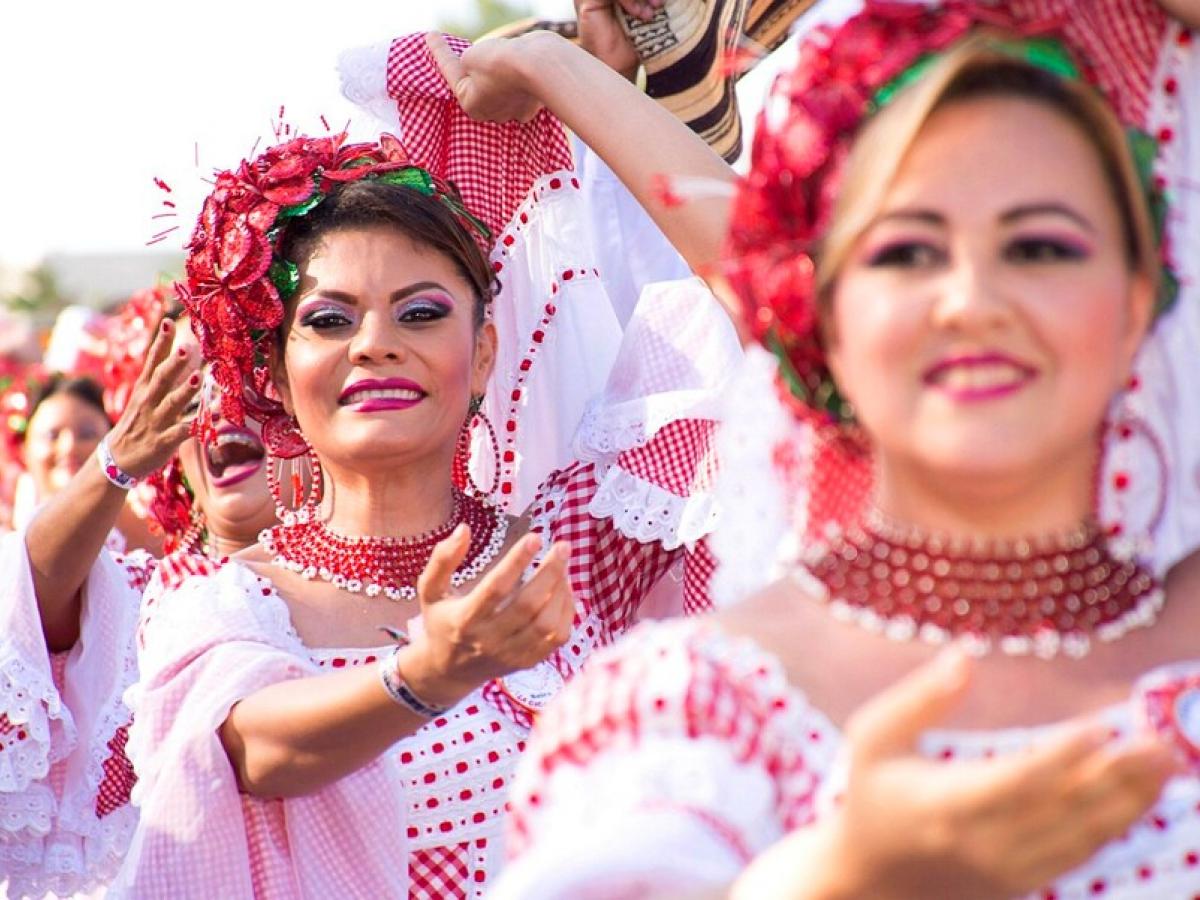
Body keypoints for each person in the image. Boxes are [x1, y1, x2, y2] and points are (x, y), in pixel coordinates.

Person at [493, 3, 1200, 898]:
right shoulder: (692, 704)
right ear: (814, 306)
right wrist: (842, 876)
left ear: (1139, 299)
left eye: (1039, 247)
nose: (972, 301)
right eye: (908, 253)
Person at [118, 31, 740, 898]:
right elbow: (262, 749)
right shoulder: (224, 600)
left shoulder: (567, 554)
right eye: (329, 321)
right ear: (274, 372)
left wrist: (553, 69)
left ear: (483, 354)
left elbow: (770, 284)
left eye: (419, 313)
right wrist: (427, 675)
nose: (375, 346)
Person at [0, 299, 285, 898]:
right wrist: (116, 464)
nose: (220, 405)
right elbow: (33, 582)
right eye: (188, 388)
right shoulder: (145, 596)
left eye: (250, 373)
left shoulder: (415, 587)